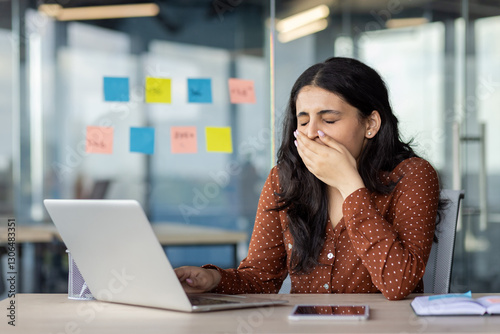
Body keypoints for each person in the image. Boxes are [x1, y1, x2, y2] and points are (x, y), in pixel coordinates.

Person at [175, 57, 441, 301]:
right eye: (303, 122)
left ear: (370, 124)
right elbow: (260, 279)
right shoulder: (284, 179)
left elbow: (399, 284)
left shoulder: (413, 175)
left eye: (329, 120)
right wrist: (213, 279)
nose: (312, 133)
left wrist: (348, 184)